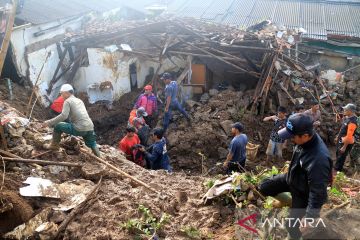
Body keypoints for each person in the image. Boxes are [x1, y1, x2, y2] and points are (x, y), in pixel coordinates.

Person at [259, 113, 332, 239]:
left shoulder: (318, 160)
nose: (290, 139)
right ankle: (290, 201)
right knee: (264, 186)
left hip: (303, 192)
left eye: (292, 136)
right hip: (292, 178)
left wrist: (309, 217)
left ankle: (297, 235)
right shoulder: (304, 139)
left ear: (305, 136)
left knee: (292, 226)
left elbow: (318, 192)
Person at [43, 84, 100, 157]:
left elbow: (64, 115)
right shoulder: (79, 100)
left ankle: (54, 146)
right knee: (92, 143)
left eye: (62, 93)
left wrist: (49, 122)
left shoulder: (68, 101)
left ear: (67, 93)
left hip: (79, 128)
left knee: (58, 125)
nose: (61, 96)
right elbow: (78, 115)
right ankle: (99, 157)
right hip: (90, 127)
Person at [334, 103, 358, 172]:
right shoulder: (347, 118)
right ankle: (337, 168)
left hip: (345, 142)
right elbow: (342, 129)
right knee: (338, 155)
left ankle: (337, 171)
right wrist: (337, 137)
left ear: (350, 111)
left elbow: (349, 136)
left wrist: (344, 146)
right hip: (341, 140)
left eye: (345, 110)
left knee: (341, 157)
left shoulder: (353, 122)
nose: (344, 111)